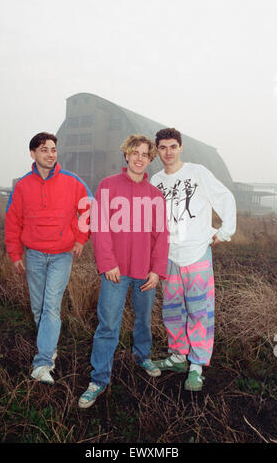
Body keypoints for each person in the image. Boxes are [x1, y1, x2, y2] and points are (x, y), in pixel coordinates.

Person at [78, 134, 169, 409]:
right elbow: (101, 228)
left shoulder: (155, 195)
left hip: (145, 272)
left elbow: (161, 235)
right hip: (115, 272)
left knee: (143, 319)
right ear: (126, 155)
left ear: (150, 159)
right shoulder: (108, 186)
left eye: (145, 154)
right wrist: (107, 263)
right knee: (108, 324)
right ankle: (99, 379)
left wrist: (157, 270)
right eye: (135, 153)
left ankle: (142, 356)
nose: (140, 158)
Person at [151, 128, 236, 391]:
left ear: (180, 147)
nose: (168, 152)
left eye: (173, 146)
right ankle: (178, 356)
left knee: (199, 309)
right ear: (157, 150)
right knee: (173, 310)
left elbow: (224, 197)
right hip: (169, 255)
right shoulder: (155, 180)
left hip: (196, 252)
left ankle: (197, 365)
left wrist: (225, 231)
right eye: (163, 147)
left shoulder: (197, 172)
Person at [5, 132, 92, 384]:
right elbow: (13, 221)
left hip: (61, 255)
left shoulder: (72, 181)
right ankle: (49, 344)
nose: (50, 154)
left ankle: (43, 363)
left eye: (53, 149)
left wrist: (80, 238)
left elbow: (87, 208)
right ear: (33, 154)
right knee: (39, 308)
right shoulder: (22, 185)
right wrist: (14, 254)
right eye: (44, 149)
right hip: (33, 255)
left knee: (51, 306)